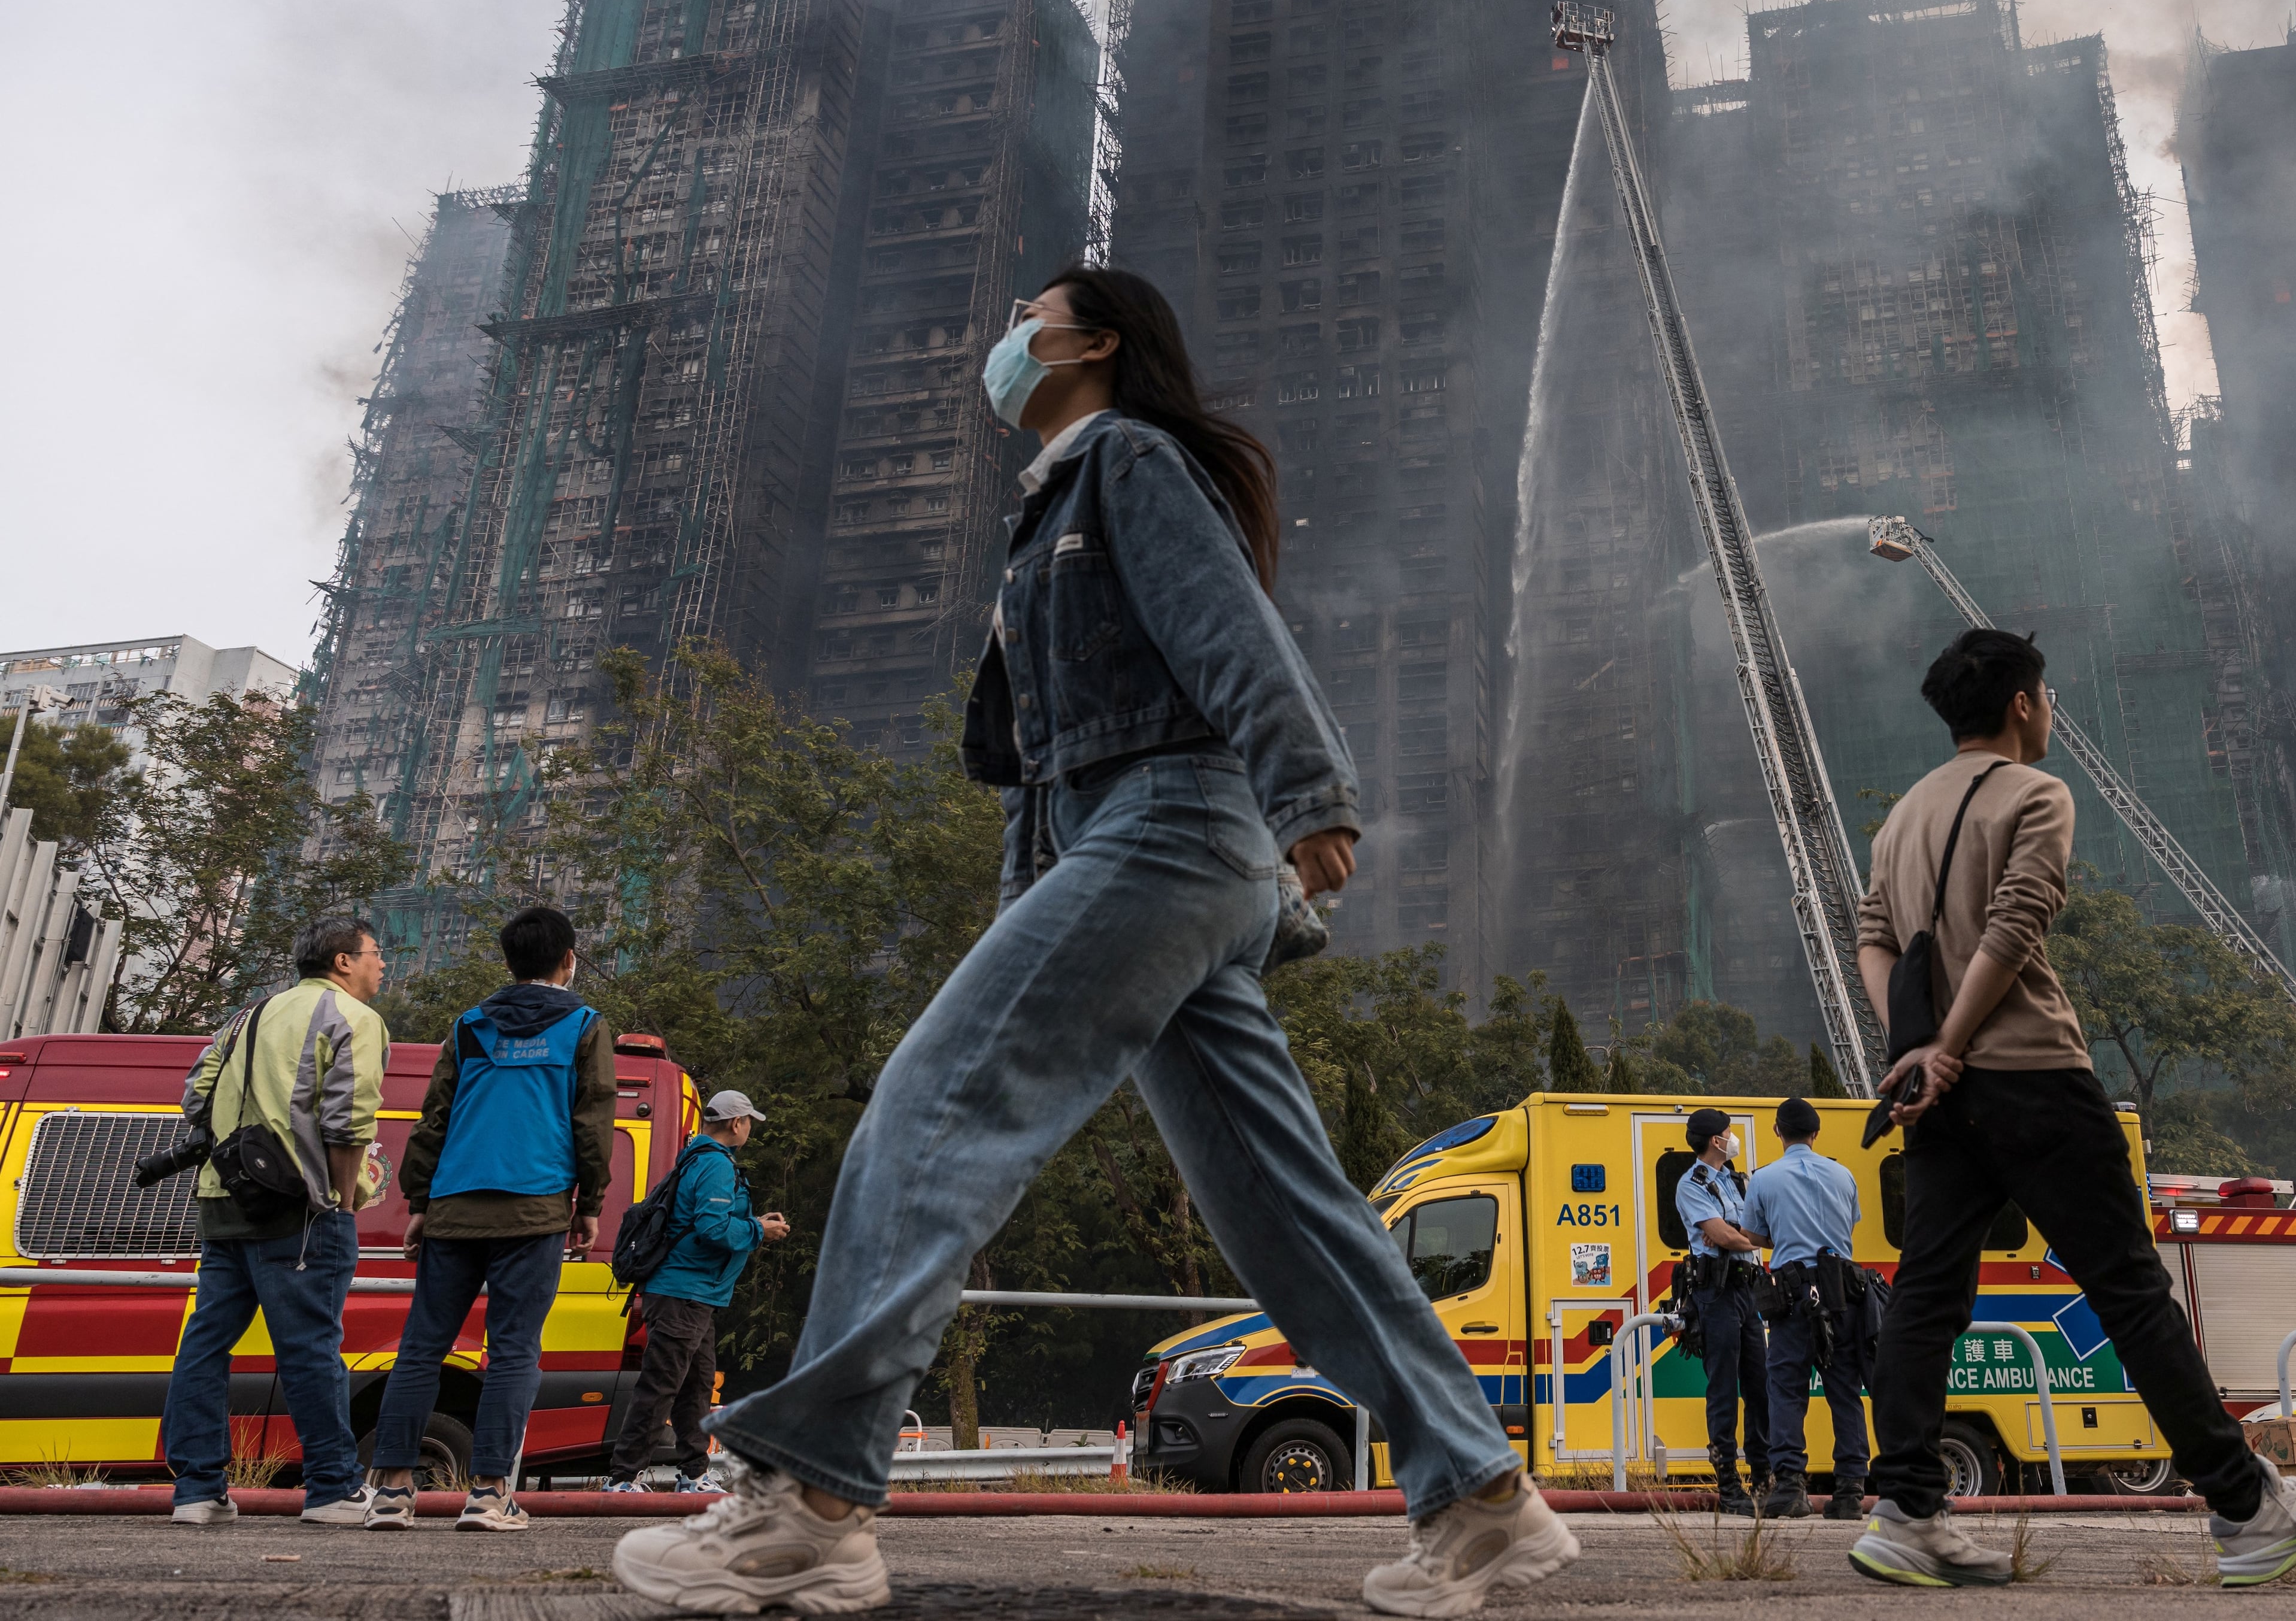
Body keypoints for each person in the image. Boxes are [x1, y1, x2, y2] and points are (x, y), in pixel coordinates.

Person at [612, 265, 1576, 1619]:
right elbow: (1051, 776)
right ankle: (1480, 1500)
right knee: (1287, 1212)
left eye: (1030, 314)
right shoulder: (1050, 504)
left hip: (1177, 832)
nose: (1009, 333)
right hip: (1153, 854)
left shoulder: (1123, 456)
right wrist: (1035, 914)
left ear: (1096, 342)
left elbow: (1224, 620)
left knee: (929, 1110)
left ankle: (812, 1500)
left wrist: (1311, 792)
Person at [1845, 629, 2296, 1590]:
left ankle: (1905, 1510)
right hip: (2034, 1076)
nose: (2050, 711)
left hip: (1937, 1099)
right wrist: (1953, 1044)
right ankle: (2248, 1508)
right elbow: (2017, 921)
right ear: (2021, 704)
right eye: (2046, 695)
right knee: (2128, 1290)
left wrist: (1917, 1051)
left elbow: (1874, 938)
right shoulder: (2038, 793)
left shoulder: (1899, 818)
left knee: (1924, 1296)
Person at [365, 904, 615, 1531]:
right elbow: (593, 1123)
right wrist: (590, 1207)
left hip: (453, 1207)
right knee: (511, 1352)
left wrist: (420, 1203)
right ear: (568, 959)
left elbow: (434, 1120)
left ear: (507, 961)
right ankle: (489, 1494)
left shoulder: (469, 1026)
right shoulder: (584, 1026)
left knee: (421, 1349)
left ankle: (391, 1493)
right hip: (534, 1209)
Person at [160, 915, 395, 1526]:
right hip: (301, 1210)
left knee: (206, 1344)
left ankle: (197, 1490)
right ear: (342, 961)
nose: (382, 964)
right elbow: (348, 1123)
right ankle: (333, 1488)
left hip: (223, 1202)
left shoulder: (248, 1014)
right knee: (311, 1347)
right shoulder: (355, 1019)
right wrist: (344, 1199)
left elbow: (195, 1097)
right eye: (375, 953)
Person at [604, 1089, 786, 1492]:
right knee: (662, 1384)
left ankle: (694, 1474)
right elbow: (712, 1229)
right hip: (683, 1293)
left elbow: (707, 1220)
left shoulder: (694, 1159)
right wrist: (760, 1230)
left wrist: (753, 1222)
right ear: (737, 1124)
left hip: (696, 1295)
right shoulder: (717, 1166)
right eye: (749, 1123)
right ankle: (622, 1478)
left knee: (697, 1385)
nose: (750, 1130)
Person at [1743, 1095, 1870, 1522]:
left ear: (1778, 1132)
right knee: (1845, 1390)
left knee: (1786, 1389)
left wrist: (1783, 1234)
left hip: (1792, 1293)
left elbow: (1754, 1235)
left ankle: (1790, 1487)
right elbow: (1850, 1223)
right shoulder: (1843, 1174)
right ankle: (1851, 1490)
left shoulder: (1764, 1179)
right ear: (1816, 1134)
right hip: (1843, 1292)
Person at [1670, 1106, 1772, 1517]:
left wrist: (1739, 1239)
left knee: (1760, 1386)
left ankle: (1764, 1477)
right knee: (1724, 1389)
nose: (1733, 1138)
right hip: (1716, 1295)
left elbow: (1742, 1232)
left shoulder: (1737, 1180)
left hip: (1748, 1293)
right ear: (1716, 1141)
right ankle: (1729, 1484)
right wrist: (1747, 1239)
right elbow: (1724, 1235)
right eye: (1729, 1133)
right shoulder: (1691, 1184)